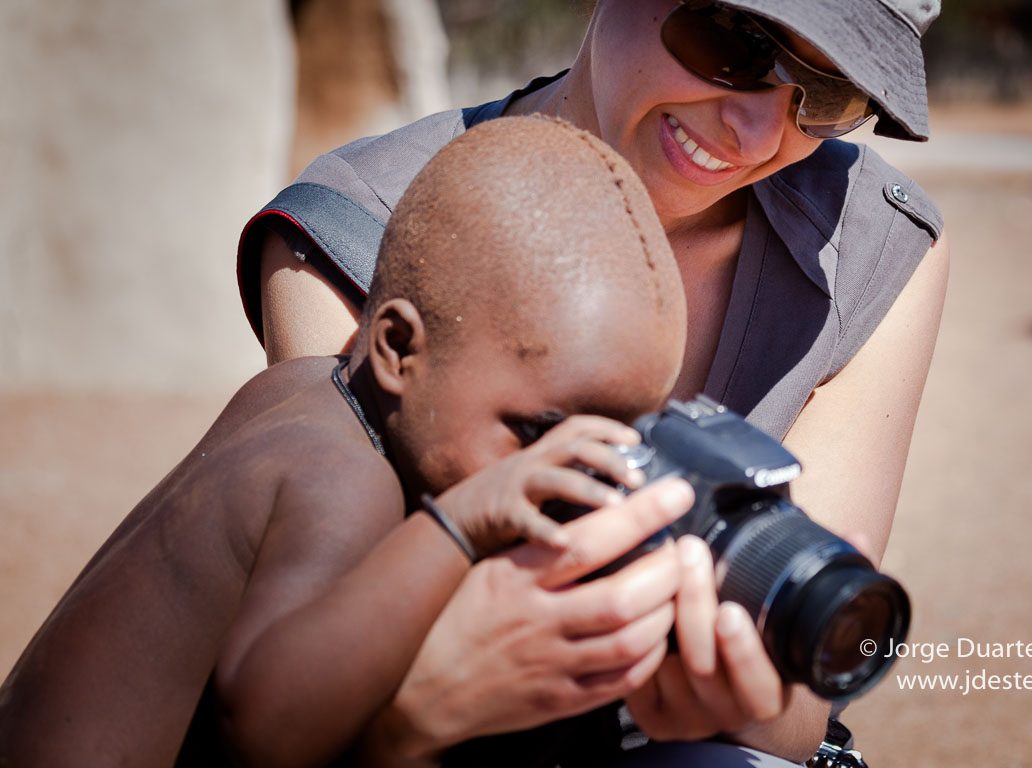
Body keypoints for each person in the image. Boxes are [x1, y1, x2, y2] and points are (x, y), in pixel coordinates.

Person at [237, 0, 950, 762]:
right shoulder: (356, 237)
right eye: (734, 44)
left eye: (830, 95)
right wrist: (421, 711)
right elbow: (300, 708)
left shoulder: (877, 245)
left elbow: (793, 716)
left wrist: (752, 697)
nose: (757, 134)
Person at [0, 116, 698, 767]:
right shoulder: (344, 481)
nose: (559, 470)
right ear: (397, 347)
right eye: (536, 432)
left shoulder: (300, 390)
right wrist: (458, 524)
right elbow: (270, 728)